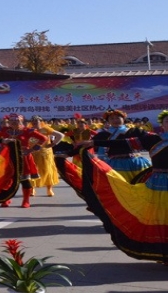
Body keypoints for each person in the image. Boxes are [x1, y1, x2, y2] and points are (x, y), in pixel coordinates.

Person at [75, 109, 168, 265]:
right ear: (162, 125)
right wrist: (95, 142)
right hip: (158, 185)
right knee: (160, 217)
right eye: (167, 121)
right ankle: (162, 251)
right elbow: (122, 143)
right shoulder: (152, 139)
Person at [0, 113, 50, 208]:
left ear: (21, 121)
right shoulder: (5, 130)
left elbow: (43, 138)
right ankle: (6, 199)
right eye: (12, 121)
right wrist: (1, 146)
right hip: (8, 157)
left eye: (16, 121)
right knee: (7, 180)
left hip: (22, 157)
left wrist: (31, 149)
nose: (14, 123)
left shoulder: (27, 130)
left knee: (24, 179)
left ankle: (26, 200)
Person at [90, 108, 151, 182]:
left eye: (118, 118)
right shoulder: (103, 134)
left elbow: (151, 139)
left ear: (123, 119)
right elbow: (88, 144)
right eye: (112, 119)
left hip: (135, 163)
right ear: (108, 121)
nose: (115, 120)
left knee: (140, 185)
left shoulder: (134, 131)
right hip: (115, 165)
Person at [28, 116, 65, 197]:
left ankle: (49, 189)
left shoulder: (46, 129)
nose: (34, 123)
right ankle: (32, 188)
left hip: (45, 154)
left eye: (36, 121)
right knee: (33, 170)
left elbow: (60, 135)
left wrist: (53, 144)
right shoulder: (29, 130)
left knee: (47, 171)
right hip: (32, 153)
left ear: (40, 121)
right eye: (33, 122)